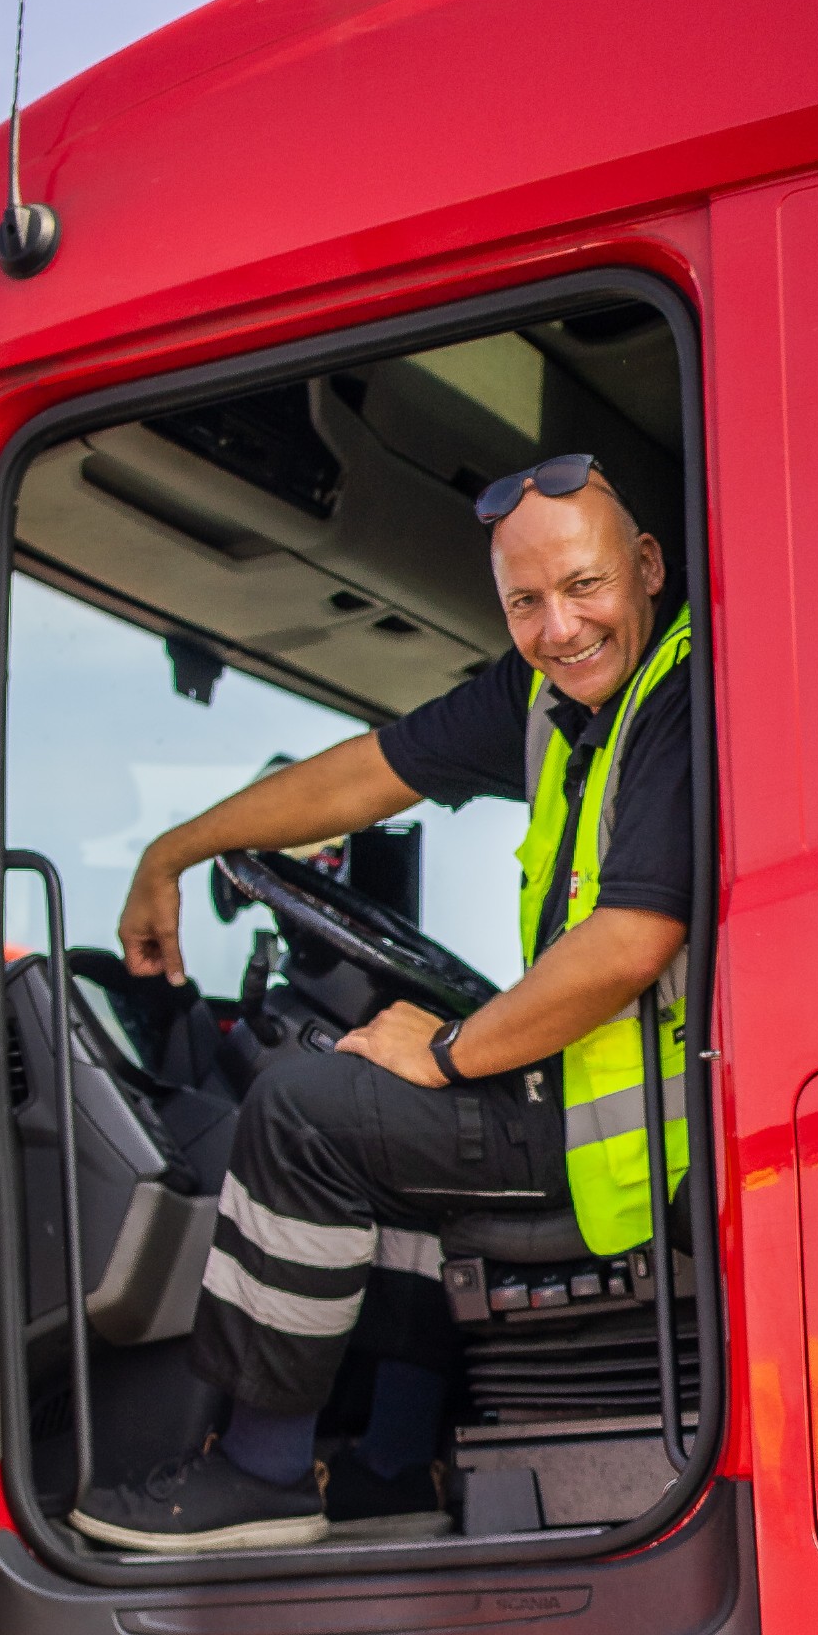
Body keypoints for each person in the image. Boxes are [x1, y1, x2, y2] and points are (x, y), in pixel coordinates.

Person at [75, 454, 694, 1552]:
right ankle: (393, 1467)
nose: (558, 627)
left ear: (646, 566)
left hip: (657, 1133)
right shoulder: (547, 697)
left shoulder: (682, 696)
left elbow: (628, 943)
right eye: (525, 603)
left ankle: (260, 1473)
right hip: (612, 1110)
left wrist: (450, 1050)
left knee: (303, 1111)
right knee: (377, 1100)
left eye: (585, 586)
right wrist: (177, 848)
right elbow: (368, 773)